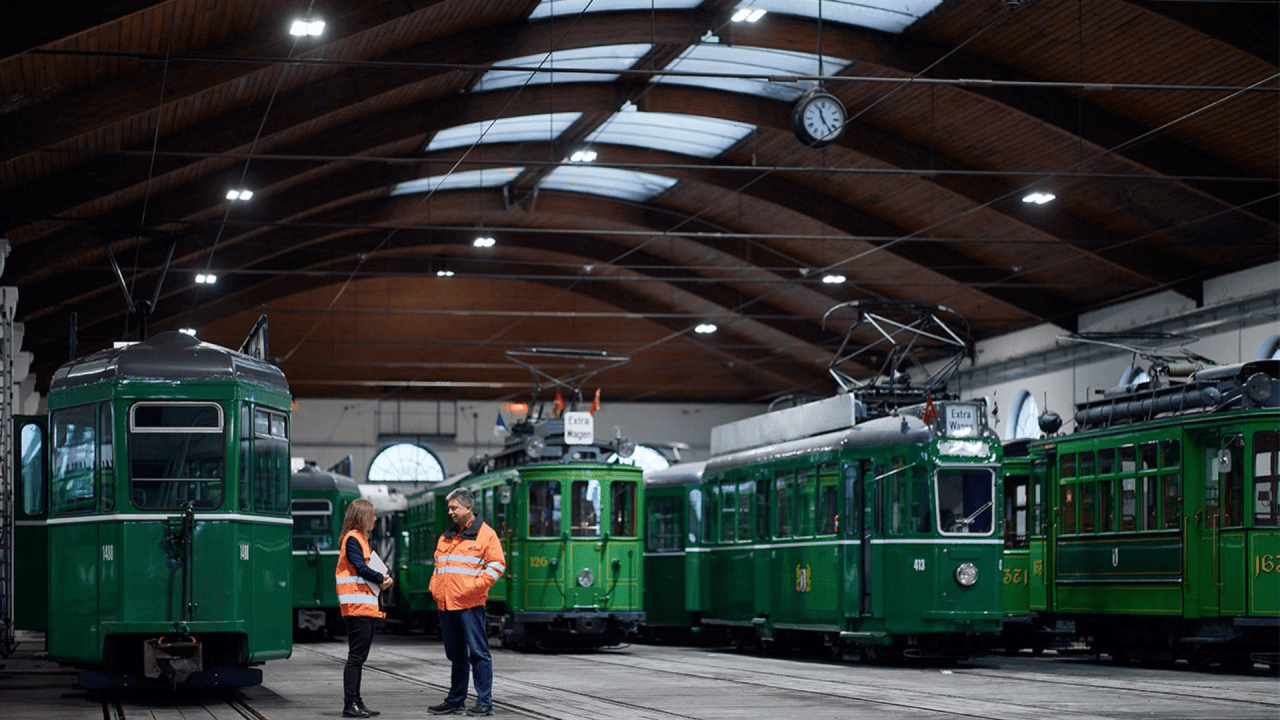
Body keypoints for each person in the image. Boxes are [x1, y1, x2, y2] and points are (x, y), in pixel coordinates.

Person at [428, 488, 506, 717]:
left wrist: (473, 588)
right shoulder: (447, 536)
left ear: (468, 508)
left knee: (479, 654)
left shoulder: (486, 535)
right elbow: (438, 567)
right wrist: (434, 587)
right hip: (446, 604)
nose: (450, 512)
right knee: (456, 655)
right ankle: (456, 700)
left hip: (470, 605)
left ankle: (484, 702)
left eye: (455, 508)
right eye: (449, 508)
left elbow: (497, 566)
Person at [335, 499, 393, 718]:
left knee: (359, 657)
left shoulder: (361, 539)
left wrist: (381, 579)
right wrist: (382, 579)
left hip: (364, 606)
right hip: (357, 607)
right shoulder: (353, 539)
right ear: (361, 516)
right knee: (356, 658)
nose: (375, 519)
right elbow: (360, 568)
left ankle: (357, 702)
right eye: (372, 515)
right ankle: (350, 704)